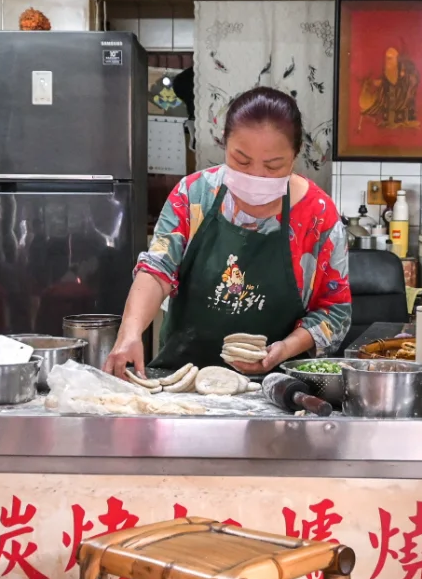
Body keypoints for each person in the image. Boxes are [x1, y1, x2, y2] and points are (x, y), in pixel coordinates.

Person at [104, 87, 351, 378]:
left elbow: (334, 312)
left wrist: (283, 349)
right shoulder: (194, 195)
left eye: (274, 166)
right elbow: (157, 270)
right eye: (241, 161)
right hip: (182, 380)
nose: (256, 176)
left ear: (295, 157)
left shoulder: (318, 216)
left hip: (273, 390)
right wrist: (129, 332)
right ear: (224, 145)